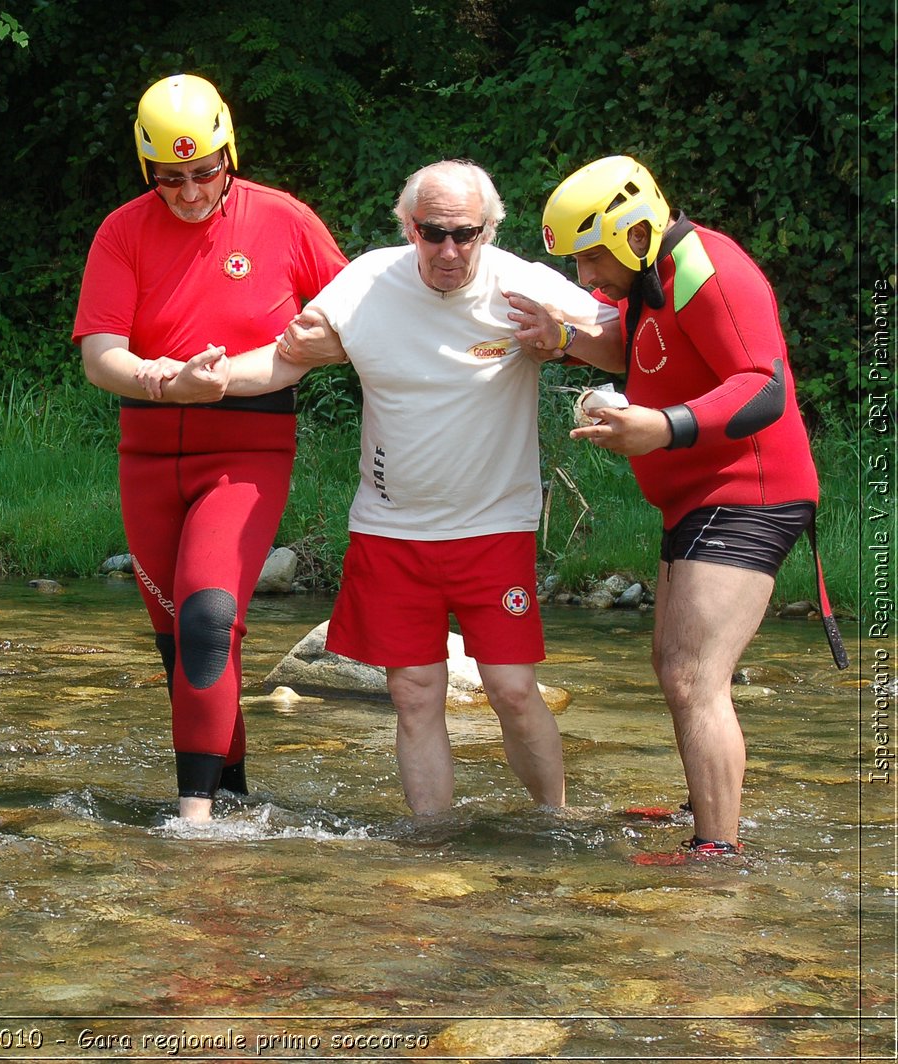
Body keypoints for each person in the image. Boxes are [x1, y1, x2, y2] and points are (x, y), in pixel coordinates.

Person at [180, 159, 623, 816]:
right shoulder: (367, 281)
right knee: (415, 694)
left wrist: (564, 340)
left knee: (509, 687)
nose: (448, 249)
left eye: (465, 234)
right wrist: (200, 381)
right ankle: (430, 847)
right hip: (391, 529)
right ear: (408, 227)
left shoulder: (522, 285)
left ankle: (556, 820)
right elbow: (287, 356)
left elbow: (623, 342)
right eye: (432, 232)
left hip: (493, 524)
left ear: (490, 230)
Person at [540, 155, 846, 861]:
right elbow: (634, 346)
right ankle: (705, 802)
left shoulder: (715, 268)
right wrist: (560, 340)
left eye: (592, 258)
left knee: (692, 674)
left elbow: (761, 386)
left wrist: (664, 426)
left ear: (634, 233)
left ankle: (717, 849)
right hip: (699, 496)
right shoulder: (651, 278)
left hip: (752, 491)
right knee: (673, 663)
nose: (587, 278)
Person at [71, 73, 349, 822]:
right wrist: (165, 383)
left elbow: (356, 317)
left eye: (204, 175)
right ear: (146, 172)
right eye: (172, 180)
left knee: (207, 618)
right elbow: (101, 354)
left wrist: (295, 353)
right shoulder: (122, 230)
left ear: (229, 153)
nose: (191, 194)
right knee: (179, 647)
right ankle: (231, 800)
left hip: (247, 453)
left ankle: (192, 823)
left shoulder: (284, 221)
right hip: (150, 457)